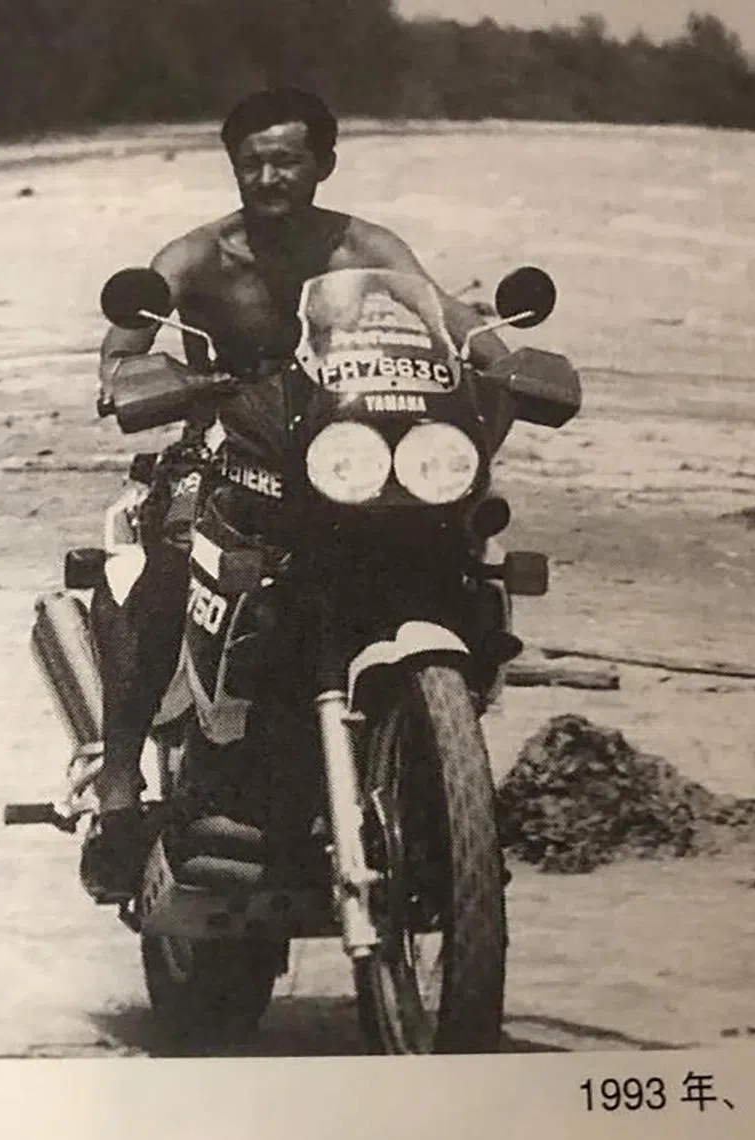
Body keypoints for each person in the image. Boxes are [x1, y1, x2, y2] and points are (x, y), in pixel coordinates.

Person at [83, 87, 511, 903]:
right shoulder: (200, 256)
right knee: (170, 567)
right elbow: (125, 342)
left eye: (287, 160)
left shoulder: (366, 249)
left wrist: (505, 360)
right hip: (226, 445)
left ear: (324, 164)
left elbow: (454, 327)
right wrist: (132, 375)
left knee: (455, 549)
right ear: (235, 167)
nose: (269, 176)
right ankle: (117, 789)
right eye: (253, 162)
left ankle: (435, 758)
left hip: (344, 452)